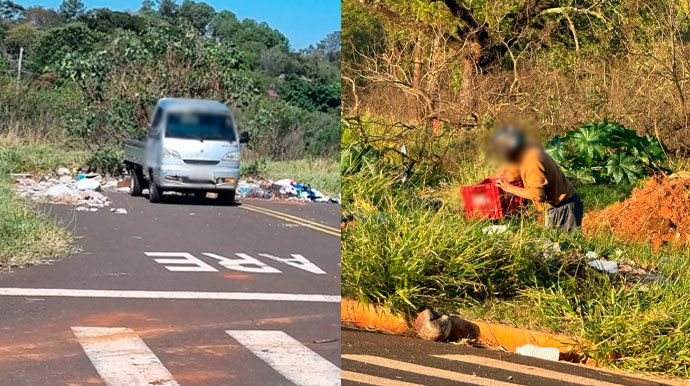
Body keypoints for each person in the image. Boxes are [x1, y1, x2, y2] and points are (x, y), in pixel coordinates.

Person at [491, 126, 583, 232]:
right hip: (561, 205)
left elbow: (537, 194)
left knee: (564, 246)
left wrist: (509, 188)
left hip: (563, 209)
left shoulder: (531, 162)